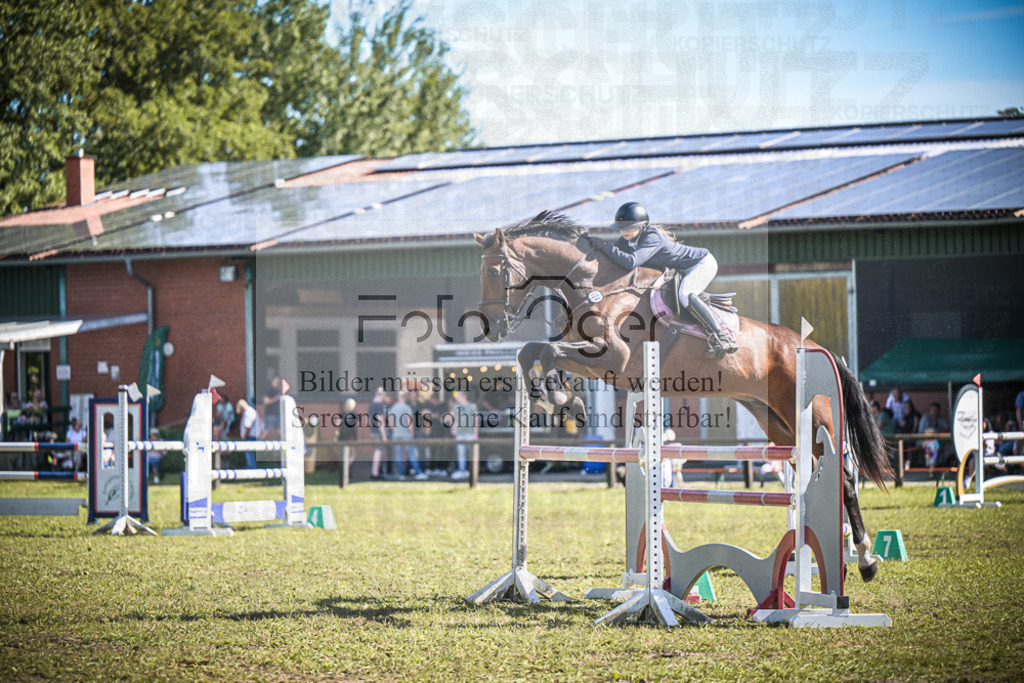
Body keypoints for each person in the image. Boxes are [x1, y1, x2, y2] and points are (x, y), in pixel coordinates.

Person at [596, 201, 737, 355]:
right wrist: (594, 245)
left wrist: (604, 246)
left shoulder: (651, 237)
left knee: (685, 294)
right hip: (683, 269)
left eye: (628, 227)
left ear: (641, 226)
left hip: (702, 263)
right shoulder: (629, 239)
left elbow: (631, 262)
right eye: (621, 228)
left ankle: (722, 337)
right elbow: (614, 255)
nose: (624, 232)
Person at [389, 391, 425, 480]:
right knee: (412, 454)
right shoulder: (407, 407)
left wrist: (394, 430)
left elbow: (390, 422)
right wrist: (411, 432)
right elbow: (409, 422)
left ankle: (401, 475)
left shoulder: (393, 408)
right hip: (406, 434)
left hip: (396, 435)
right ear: (405, 398)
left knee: (398, 455)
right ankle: (417, 473)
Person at [450, 391, 479, 480]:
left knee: (472, 453)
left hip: (470, 433)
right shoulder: (455, 406)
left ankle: (473, 472)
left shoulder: (472, 406)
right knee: (461, 453)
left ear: (464, 396)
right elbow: (452, 417)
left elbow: (476, 420)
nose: (457, 398)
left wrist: (475, 434)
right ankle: (462, 471)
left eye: (458, 396)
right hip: (460, 433)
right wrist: (453, 428)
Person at [368, 388, 390, 479]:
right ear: (380, 395)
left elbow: (370, 420)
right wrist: (384, 436)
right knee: (378, 451)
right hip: (378, 432)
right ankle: (375, 473)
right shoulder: (379, 406)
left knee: (377, 452)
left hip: (373, 431)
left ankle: (376, 472)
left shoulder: (371, 405)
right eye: (384, 395)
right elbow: (380, 420)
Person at [236, 398, 264, 469]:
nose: (241, 412)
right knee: (250, 453)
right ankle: (252, 468)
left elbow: (247, 427)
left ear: (242, 407)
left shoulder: (247, 413)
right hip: (254, 435)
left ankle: (252, 469)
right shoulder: (252, 411)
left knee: (249, 453)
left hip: (250, 436)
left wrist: (245, 437)